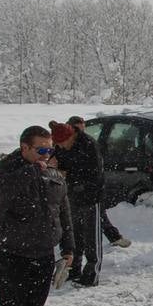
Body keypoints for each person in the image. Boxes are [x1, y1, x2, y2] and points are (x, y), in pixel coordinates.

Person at [0, 125, 74, 306]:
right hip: (11, 252)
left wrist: (68, 248)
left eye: (49, 149)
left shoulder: (54, 174)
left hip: (43, 252)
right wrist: (32, 171)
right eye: (40, 150)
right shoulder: (4, 171)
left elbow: (63, 212)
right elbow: (1, 190)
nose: (46, 155)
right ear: (24, 148)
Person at [50, 120, 104, 287]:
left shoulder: (88, 145)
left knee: (92, 239)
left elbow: (94, 175)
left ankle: (91, 274)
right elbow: (58, 164)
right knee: (74, 236)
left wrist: (69, 176)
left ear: (71, 136)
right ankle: (74, 269)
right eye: (58, 145)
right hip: (71, 196)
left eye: (63, 143)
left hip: (90, 197)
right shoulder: (61, 147)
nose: (62, 147)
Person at [68, 115, 131, 248]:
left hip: (89, 188)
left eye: (81, 129)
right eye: (76, 129)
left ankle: (113, 237)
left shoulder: (88, 143)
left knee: (98, 214)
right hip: (75, 188)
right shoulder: (68, 143)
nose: (80, 132)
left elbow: (94, 167)